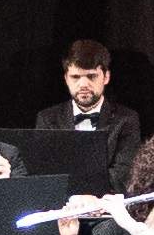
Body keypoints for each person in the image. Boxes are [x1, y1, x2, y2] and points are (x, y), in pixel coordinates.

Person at [32, 39, 143, 192]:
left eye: (91, 76)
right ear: (66, 78)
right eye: (75, 77)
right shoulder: (47, 118)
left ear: (106, 77)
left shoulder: (127, 119)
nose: (83, 84)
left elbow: (124, 174)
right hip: (61, 202)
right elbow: (45, 172)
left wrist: (86, 196)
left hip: (106, 202)